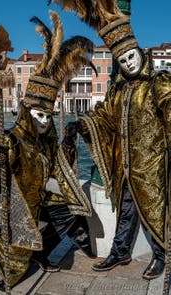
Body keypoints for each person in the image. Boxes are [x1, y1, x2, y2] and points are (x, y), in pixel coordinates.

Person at [0, 10, 96, 290]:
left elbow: (57, 167)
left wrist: (69, 142)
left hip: (37, 200)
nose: (43, 122)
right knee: (11, 274)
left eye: (47, 117)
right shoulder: (11, 141)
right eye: (38, 116)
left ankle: (40, 253)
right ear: (27, 112)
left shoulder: (45, 141)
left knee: (73, 211)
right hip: (14, 210)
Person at [48, 0, 171, 280]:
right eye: (124, 60)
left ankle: (162, 255)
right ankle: (120, 251)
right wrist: (81, 125)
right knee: (126, 209)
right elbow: (104, 117)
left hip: (151, 164)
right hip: (126, 163)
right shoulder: (118, 92)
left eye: (132, 58)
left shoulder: (158, 83)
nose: (129, 63)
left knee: (155, 210)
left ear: (139, 53)